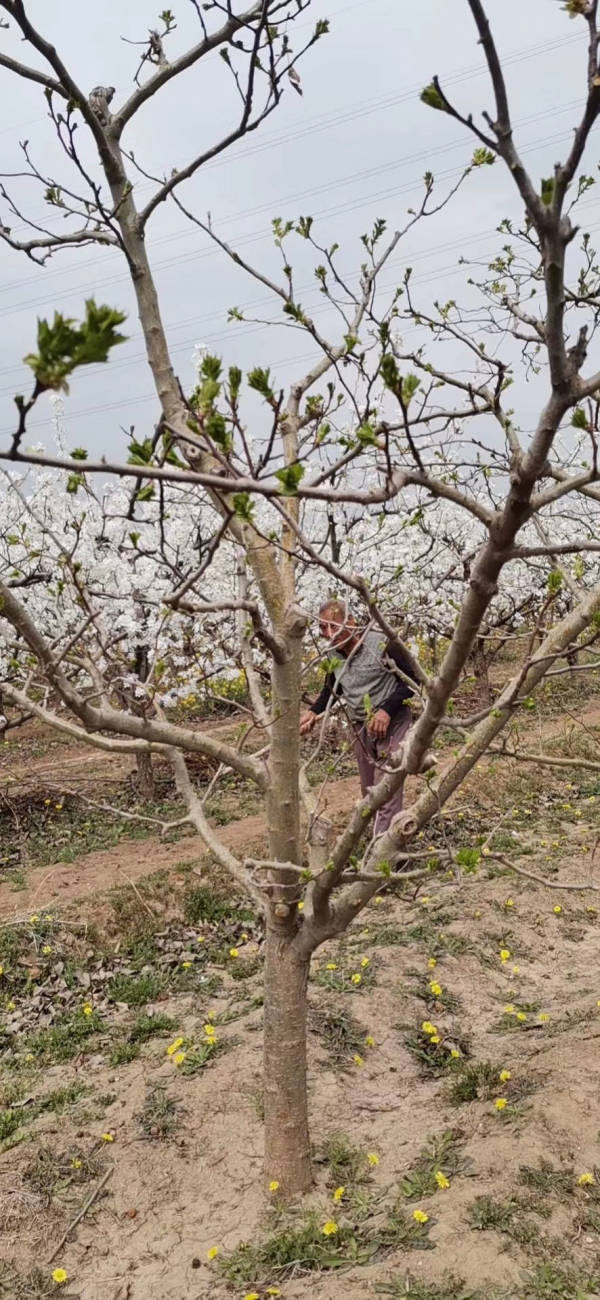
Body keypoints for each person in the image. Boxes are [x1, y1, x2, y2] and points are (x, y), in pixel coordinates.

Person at [300, 598, 420, 836]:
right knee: (370, 792)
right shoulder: (333, 655)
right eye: (323, 628)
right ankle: (386, 839)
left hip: (393, 722)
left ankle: (382, 850)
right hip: (360, 727)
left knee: (387, 788)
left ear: (351, 621)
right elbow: (333, 689)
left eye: (333, 625)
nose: (328, 633)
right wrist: (313, 712)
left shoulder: (383, 643)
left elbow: (412, 681)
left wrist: (386, 710)